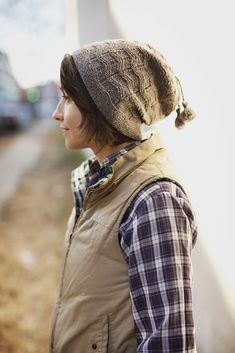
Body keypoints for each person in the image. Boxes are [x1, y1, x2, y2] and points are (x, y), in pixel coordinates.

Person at [51, 39, 198, 353]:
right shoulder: (100, 183)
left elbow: (168, 344)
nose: (56, 114)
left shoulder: (153, 201)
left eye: (67, 99)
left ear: (105, 108)